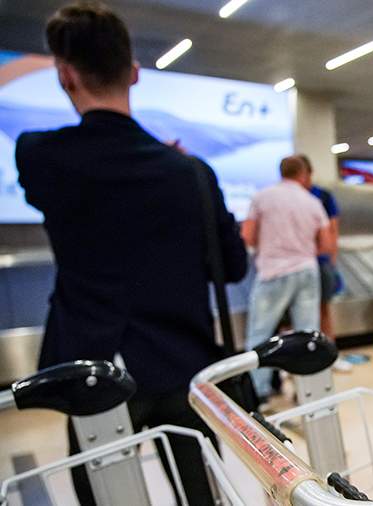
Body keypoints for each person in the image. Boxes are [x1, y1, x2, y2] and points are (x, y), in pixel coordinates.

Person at [15, 3, 247, 504]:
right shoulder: (192, 174)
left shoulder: (40, 155)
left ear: (65, 75)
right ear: (135, 73)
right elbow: (233, 266)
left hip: (93, 374)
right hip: (183, 366)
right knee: (202, 494)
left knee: (104, 496)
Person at [241, 155, 335, 398]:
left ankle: (258, 392)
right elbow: (326, 244)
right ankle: (309, 390)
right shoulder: (312, 201)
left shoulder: (262, 197)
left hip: (272, 271)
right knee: (308, 334)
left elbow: (247, 236)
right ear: (303, 174)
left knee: (260, 334)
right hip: (306, 271)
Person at [293, 155, 353, 372]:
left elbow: (332, 231)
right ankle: (298, 358)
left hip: (319, 261)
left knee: (323, 309)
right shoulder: (293, 198)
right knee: (297, 313)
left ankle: (329, 355)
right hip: (299, 262)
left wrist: (331, 260)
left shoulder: (322, 196)